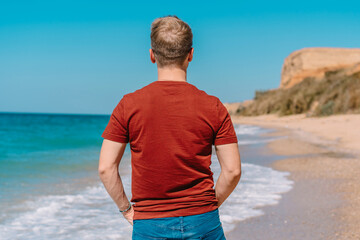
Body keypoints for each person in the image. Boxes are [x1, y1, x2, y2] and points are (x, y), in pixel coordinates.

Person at [98, 15, 241, 240]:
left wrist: (127, 210)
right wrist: (208, 206)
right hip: (203, 221)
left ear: (152, 55)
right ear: (191, 55)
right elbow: (232, 171)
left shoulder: (129, 105)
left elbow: (106, 168)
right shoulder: (213, 106)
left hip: (149, 223)